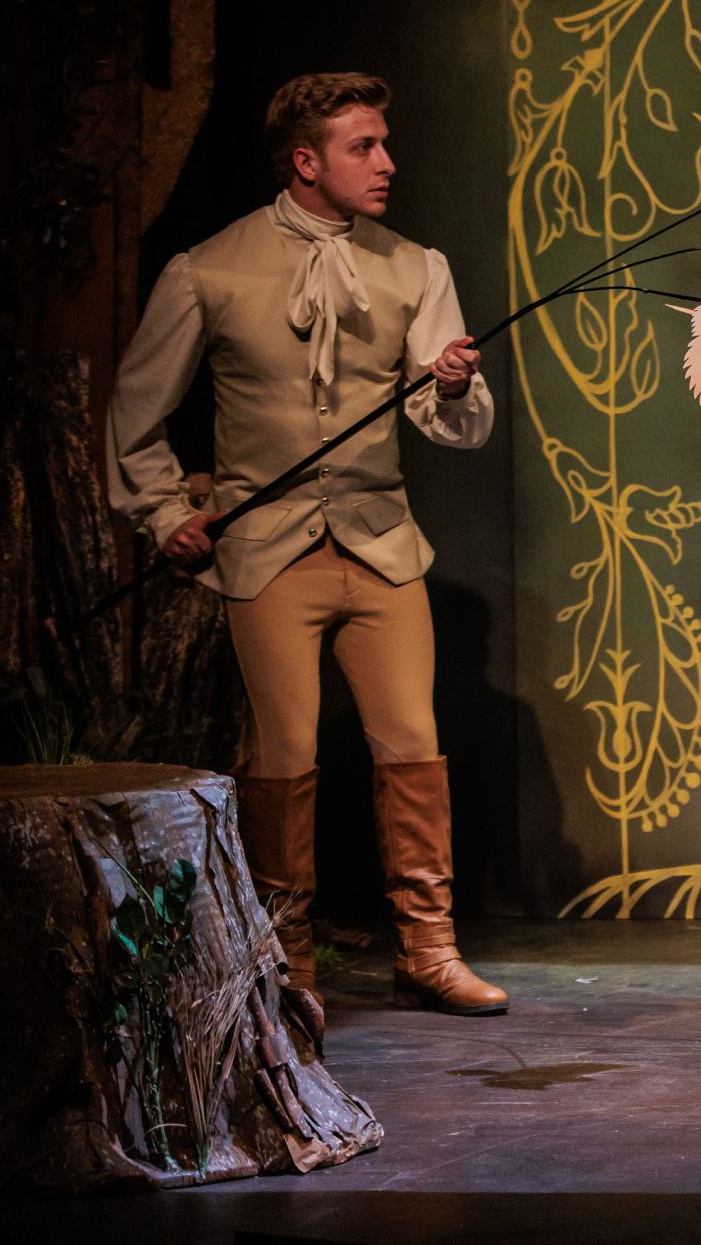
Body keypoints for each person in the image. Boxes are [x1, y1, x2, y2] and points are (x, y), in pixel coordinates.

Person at [108, 71, 507, 1038]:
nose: (387, 162)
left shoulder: (415, 266)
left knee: (411, 739)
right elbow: (135, 413)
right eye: (364, 146)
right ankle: (285, 961)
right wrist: (164, 514)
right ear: (305, 161)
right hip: (269, 551)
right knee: (283, 754)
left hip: (379, 542)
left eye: (384, 142)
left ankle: (428, 949)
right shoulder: (210, 269)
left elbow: (449, 418)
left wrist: (452, 385)